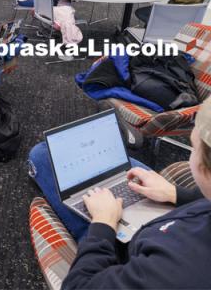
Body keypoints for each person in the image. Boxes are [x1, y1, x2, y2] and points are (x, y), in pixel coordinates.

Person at [29, 96, 211, 289]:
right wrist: (174, 193)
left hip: (118, 250)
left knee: (40, 155)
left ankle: (110, 139)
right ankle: (110, 139)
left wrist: (103, 223)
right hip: (160, 222)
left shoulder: (177, 269)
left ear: (205, 169)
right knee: (122, 170)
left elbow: (79, 285)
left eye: (193, 147)